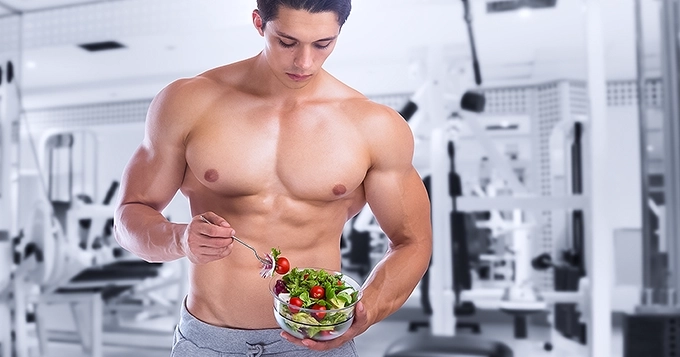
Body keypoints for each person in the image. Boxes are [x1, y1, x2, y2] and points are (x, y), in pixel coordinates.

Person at [113, 0, 432, 355]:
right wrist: (179, 239)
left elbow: (412, 240)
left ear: (339, 33)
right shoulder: (188, 103)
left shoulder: (374, 126)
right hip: (208, 343)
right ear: (258, 24)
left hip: (315, 343)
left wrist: (369, 307)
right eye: (287, 41)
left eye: (322, 44)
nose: (304, 62)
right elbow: (129, 215)